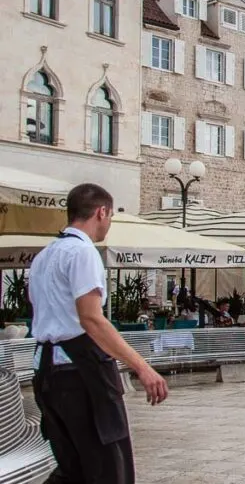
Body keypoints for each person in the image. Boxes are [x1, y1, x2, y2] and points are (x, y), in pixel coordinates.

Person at [29, 183, 169, 483]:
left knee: (73, 470)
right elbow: (91, 319)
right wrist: (142, 367)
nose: (109, 224)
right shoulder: (82, 253)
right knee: (110, 468)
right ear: (101, 212)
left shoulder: (44, 257)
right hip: (81, 372)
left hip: (47, 372)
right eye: (110, 217)